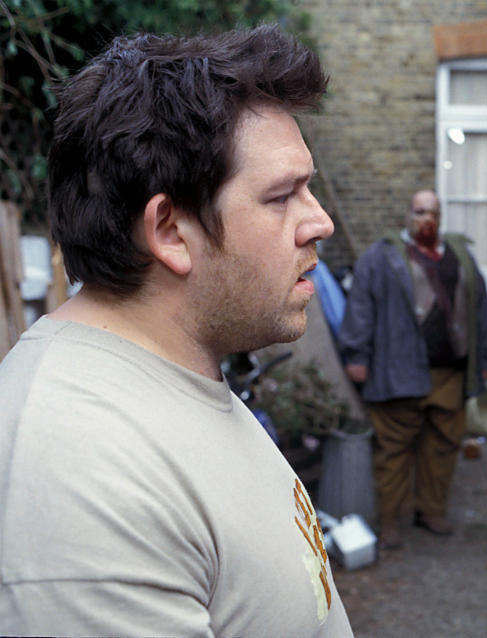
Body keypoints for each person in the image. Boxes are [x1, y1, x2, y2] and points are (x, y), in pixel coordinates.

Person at [0, 26, 354, 637]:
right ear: (168, 230)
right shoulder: (78, 472)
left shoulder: (170, 380)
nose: (319, 221)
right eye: (281, 196)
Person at [339, 189, 487, 548]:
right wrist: (356, 356)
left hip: (449, 372)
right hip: (397, 370)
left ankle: (431, 511)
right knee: (393, 450)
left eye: (434, 212)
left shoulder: (460, 255)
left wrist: (486, 357)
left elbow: (480, 307)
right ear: (407, 215)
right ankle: (391, 520)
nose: (427, 218)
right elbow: (360, 307)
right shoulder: (380, 258)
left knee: (442, 447)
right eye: (420, 211)